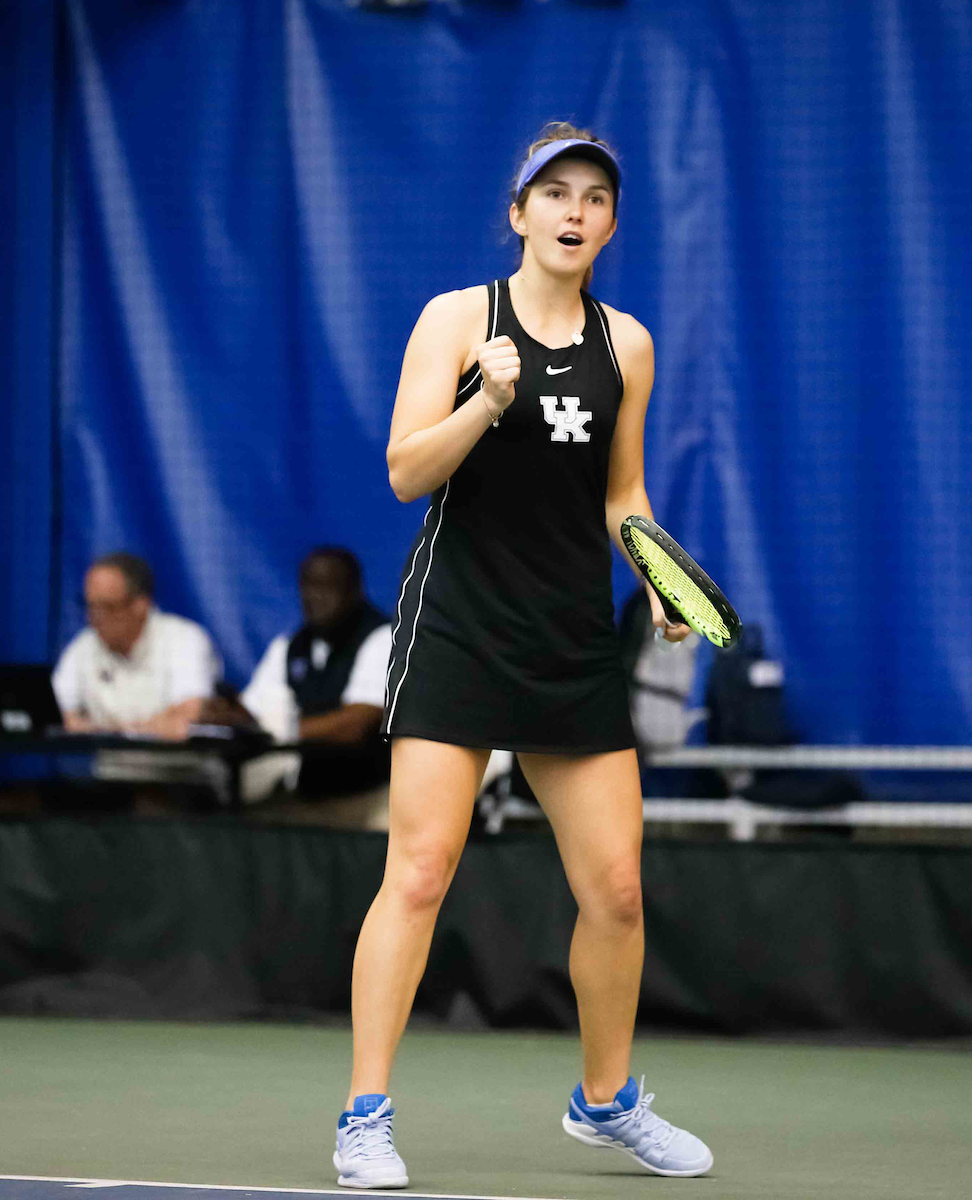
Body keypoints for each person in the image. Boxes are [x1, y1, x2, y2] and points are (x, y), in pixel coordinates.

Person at [332, 123, 714, 1189]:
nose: (574, 211)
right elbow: (408, 470)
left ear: (612, 224)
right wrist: (485, 401)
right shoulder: (458, 320)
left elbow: (621, 495)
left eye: (595, 197)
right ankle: (365, 1116)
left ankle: (606, 1101)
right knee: (418, 873)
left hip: (569, 637)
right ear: (518, 212)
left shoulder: (626, 345)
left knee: (620, 892)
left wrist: (657, 578)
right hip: (457, 624)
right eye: (555, 192)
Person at [234, 547, 394, 826]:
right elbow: (251, 713)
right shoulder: (291, 646)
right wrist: (226, 713)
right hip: (309, 793)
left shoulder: (382, 637)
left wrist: (285, 729)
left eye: (325, 587)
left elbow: (358, 723)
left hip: (373, 794)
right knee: (245, 825)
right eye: (306, 586)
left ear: (354, 590)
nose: (313, 596)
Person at [50, 552, 223, 804]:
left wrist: (104, 730)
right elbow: (52, 717)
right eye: (89, 606)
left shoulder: (185, 640)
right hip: (112, 786)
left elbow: (186, 722)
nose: (94, 618)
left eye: (106, 607)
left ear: (140, 605)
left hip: (183, 784)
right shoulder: (83, 648)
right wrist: (143, 728)